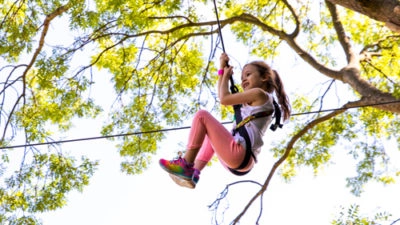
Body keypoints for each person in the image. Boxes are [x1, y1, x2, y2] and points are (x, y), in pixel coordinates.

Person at [159, 53, 291, 189]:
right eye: (242, 77)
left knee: (201, 116)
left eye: (248, 74)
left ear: (264, 77)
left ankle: (186, 165)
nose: (243, 80)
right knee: (210, 134)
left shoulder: (260, 94)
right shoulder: (255, 102)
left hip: (239, 154)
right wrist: (221, 69)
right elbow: (223, 95)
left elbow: (224, 99)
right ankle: (194, 173)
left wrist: (226, 76)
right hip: (241, 162)